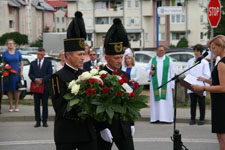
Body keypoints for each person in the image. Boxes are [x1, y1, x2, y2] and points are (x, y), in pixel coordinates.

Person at [50, 11, 97, 150]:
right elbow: (59, 107)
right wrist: (83, 106)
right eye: (79, 54)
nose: (83, 58)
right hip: (66, 133)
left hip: (87, 133)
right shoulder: (57, 77)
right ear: (68, 55)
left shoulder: (87, 75)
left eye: (84, 54)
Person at [96, 18, 135, 150]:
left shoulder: (125, 75)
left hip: (123, 127)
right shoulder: (99, 75)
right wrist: (102, 128)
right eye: (116, 58)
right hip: (106, 127)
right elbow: (96, 103)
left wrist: (131, 123)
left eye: (121, 57)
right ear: (107, 57)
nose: (119, 61)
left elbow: (129, 101)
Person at [192, 35, 225, 150]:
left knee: (221, 136)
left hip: (221, 102)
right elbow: (219, 81)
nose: (212, 51)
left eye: (214, 48)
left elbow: (222, 87)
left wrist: (203, 88)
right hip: (220, 100)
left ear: (222, 47)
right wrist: (206, 81)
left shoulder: (222, 64)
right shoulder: (221, 61)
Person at [146, 45, 175, 123]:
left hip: (166, 85)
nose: (160, 52)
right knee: (156, 101)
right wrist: (150, 72)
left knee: (165, 101)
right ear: (156, 51)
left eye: (162, 50)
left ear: (164, 51)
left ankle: (167, 118)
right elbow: (147, 69)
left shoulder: (169, 60)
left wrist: (172, 85)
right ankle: (155, 118)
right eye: (159, 50)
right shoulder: (152, 60)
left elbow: (172, 73)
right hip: (155, 84)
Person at [185, 44, 211, 125]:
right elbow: (186, 71)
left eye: (197, 51)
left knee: (201, 103)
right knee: (193, 103)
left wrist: (201, 78)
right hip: (192, 84)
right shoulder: (190, 61)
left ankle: (201, 119)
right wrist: (190, 78)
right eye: (194, 51)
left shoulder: (204, 62)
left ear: (201, 52)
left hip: (200, 85)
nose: (195, 53)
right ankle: (192, 118)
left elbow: (207, 74)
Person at [28, 48, 53, 128]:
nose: (40, 56)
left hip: (44, 86)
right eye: (38, 54)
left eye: (41, 54)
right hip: (36, 87)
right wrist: (35, 79)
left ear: (44, 54)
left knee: (45, 105)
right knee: (36, 105)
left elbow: (50, 74)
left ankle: (44, 121)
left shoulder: (48, 63)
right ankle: (37, 121)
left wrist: (42, 80)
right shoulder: (33, 63)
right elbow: (30, 74)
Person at [2, 39, 23, 112]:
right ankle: (11, 105)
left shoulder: (18, 53)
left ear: (14, 44)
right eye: (9, 43)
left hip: (16, 73)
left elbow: (21, 62)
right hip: (8, 74)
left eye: (12, 43)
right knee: (9, 89)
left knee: (17, 90)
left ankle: (16, 105)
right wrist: (4, 71)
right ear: (7, 45)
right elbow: (2, 64)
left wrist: (21, 72)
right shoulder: (5, 53)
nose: (10, 45)